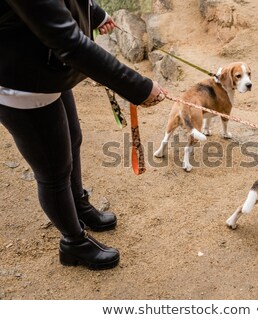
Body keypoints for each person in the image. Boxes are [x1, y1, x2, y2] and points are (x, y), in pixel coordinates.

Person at [0, 0, 167, 270]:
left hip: (50, 65)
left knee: (72, 140)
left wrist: (94, 13)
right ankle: (73, 244)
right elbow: (68, 41)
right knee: (53, 171)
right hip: (23, 80)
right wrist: (138, 86)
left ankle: (77, 204)